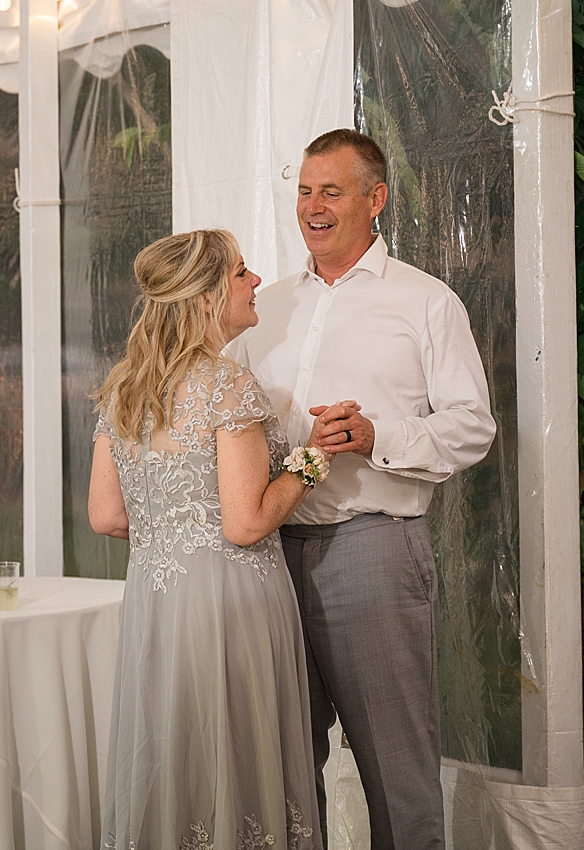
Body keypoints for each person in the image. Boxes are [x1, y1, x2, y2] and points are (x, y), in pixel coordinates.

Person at [232, 129, 496, 850]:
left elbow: (473, 427)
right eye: (305, 191)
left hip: (372, 550)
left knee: (395, 768)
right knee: (283, 769)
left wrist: (378, 436)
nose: (313, 207)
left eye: (332, 191)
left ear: (375, 199)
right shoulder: (265, 308)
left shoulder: (425, 303)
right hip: (267, 556)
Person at [89, 228, 323, 850]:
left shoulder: (121, 388)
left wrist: (175, 531)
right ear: (207, 295)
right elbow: (245, 522)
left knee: (177, 749)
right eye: (242, 272)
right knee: (236, 752)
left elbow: (106, 516)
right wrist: (310, 462)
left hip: (158, 601)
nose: (255, 283)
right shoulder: (226, 386)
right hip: (232, 600)